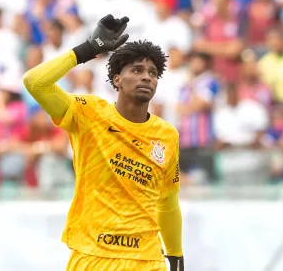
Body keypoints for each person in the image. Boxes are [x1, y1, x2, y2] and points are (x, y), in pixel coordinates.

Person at [23, 14, 183, 271]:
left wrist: (175, 257)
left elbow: (168, 203)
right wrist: (87, 49)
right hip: (92, 256)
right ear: (117, 80)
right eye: (137, 70)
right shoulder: (89, 113)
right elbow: (35, 83)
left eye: (153, 73)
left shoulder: (167, 135)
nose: (147, 77)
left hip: (147, 260)